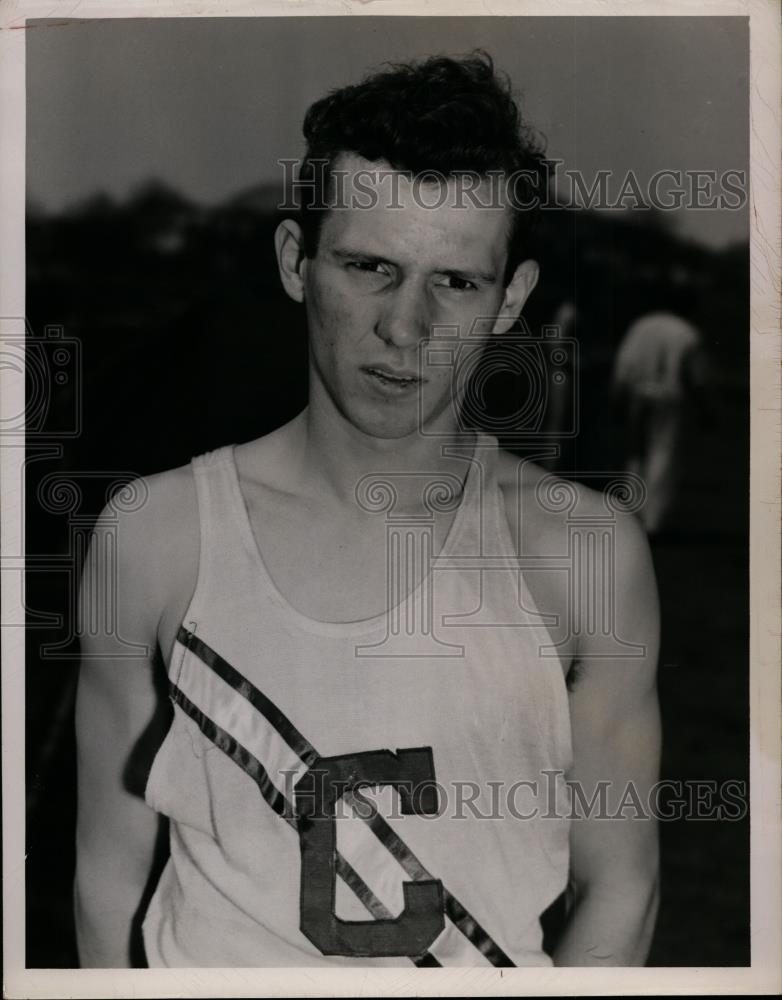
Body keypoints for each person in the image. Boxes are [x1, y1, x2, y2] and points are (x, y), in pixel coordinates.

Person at [74, 53, 661, 969]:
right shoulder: (156, 535)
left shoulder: (586, 552)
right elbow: (107, 878)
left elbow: (621, 886)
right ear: (295, 263)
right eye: (369, 267)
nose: (406, 327)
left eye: (455, 282)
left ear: (511, 299)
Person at [612, 299, 707, 535]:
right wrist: (706, 407)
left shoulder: (642, 325)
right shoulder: (687, 333)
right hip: (670, 398)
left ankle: (632, 512)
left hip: (639, 393)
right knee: (662, 456)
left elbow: (623, 365)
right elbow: (695, 376)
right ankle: (651, 520)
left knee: (636, 453)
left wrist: (617, 396)